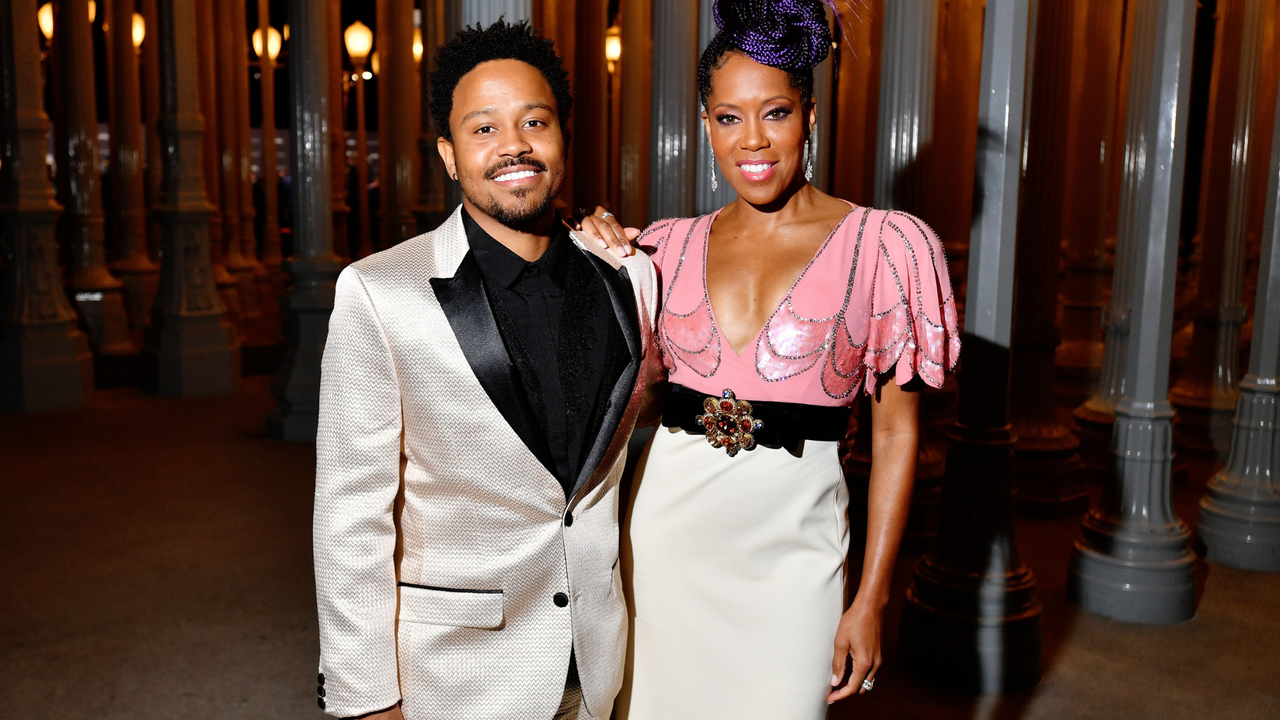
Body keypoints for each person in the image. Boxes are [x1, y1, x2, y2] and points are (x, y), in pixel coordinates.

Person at [581, 1, 961, 717]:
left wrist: (871, 596)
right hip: (668, 543)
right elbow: (626, 395)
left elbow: (896, 433)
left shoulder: (885, 248)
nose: (751, 140)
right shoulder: (663, 247)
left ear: (809, 115)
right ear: (705, 125)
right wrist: (593, 258)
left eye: (775, 113)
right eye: (728, 117)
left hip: (797, 555)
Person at [312, 20, 659, 720]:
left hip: (594, 670)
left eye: (535, 121)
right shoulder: (379, 292)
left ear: (563, 135)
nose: (514, 147)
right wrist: (367, 699)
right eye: (483, 128)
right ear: (447, 153)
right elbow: (351, 517)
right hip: (455, 681)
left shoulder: (630, 277)